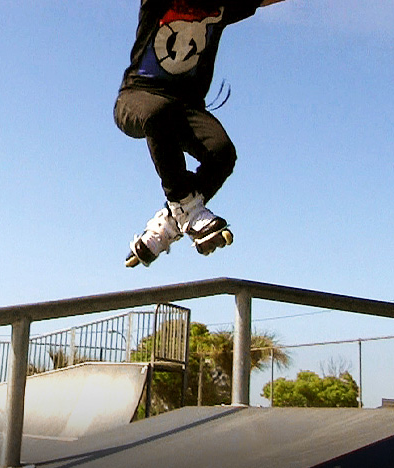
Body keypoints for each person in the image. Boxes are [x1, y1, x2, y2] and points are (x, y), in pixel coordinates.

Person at [115, 0, 284, 268]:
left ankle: (170, 222)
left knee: (222, 153)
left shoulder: (222, 6)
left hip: (185, 108)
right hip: (137, 97)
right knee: (157, 111)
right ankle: (186, 206)